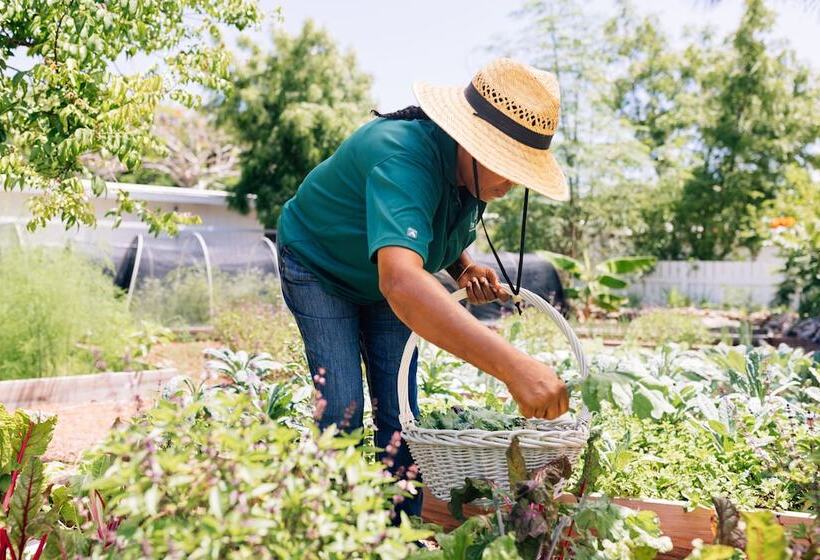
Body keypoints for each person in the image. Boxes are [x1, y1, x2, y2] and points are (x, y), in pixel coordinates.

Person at [276, 57, 570, 517]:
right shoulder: (401, 155)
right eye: (506, 163)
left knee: (401, 418)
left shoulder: (472, 177)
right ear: (471, 142)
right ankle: (336, 535)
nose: (512, 180)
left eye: (521, 168)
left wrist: (463, 266)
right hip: (321, 266)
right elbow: (401, 280)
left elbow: (425, 225)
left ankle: (398, 536)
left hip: (386, 278)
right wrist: (514, 367)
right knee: (342, 411)